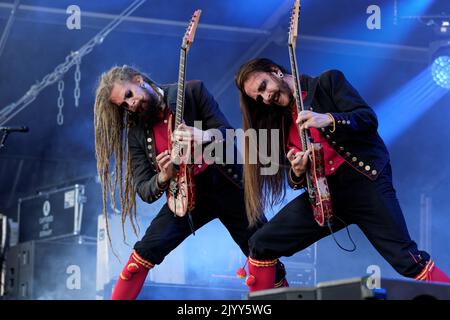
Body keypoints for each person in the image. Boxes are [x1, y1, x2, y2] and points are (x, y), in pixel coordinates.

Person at [234, 58, 450, 292]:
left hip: (365, 184)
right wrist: (297, 171)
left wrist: (328, 118)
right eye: (259, 97)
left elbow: (367, 119)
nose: (266, 98)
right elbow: (294, 179)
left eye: (264, 86)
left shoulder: (327, 82)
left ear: (275, 71)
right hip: (326, 197)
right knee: (261, 244)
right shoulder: (281, 121)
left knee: (407, 261)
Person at [93, 65, 287, 299]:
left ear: (139, 80)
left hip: (228, 185)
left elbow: (227, 134)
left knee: (263, 253)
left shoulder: (192, 93)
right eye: (124, 105)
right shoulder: (136, 132)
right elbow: (144, 189)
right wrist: (164, 176)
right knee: (144, 252)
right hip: (185, 197)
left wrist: (203, 136)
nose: (130, 104)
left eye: (129, 95)